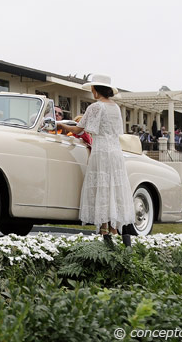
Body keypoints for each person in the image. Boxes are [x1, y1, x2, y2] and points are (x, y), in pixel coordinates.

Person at [58, 74, 134, 246]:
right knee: (113, 187)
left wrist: (61, 125)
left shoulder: (96, 107)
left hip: (101, 151)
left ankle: (105, 229)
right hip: (115, 152)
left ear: (95, 89)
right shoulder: (115, 107)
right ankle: (114, 229)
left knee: (102, 186)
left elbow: (78, 129)